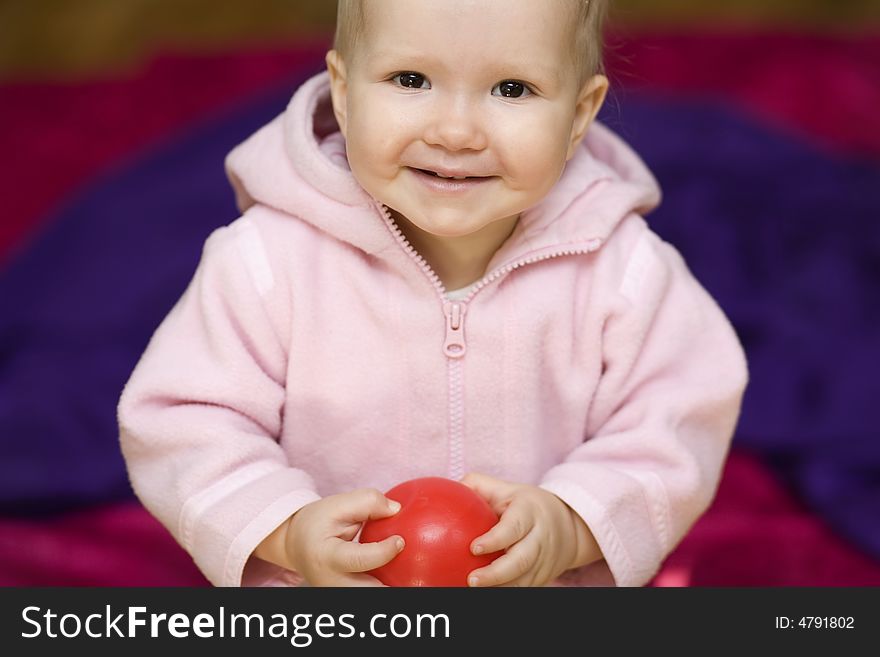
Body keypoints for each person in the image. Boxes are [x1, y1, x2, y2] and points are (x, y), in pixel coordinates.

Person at [118, 0, 748, 587]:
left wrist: (573, 520)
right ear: (343, 93)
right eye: (411, 80)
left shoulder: (625, 270)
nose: (455, 131)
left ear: (579, 116)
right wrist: (286, 530)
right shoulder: (265, 261)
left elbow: (678, 416)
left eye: (511, 89)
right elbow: (185, 420)